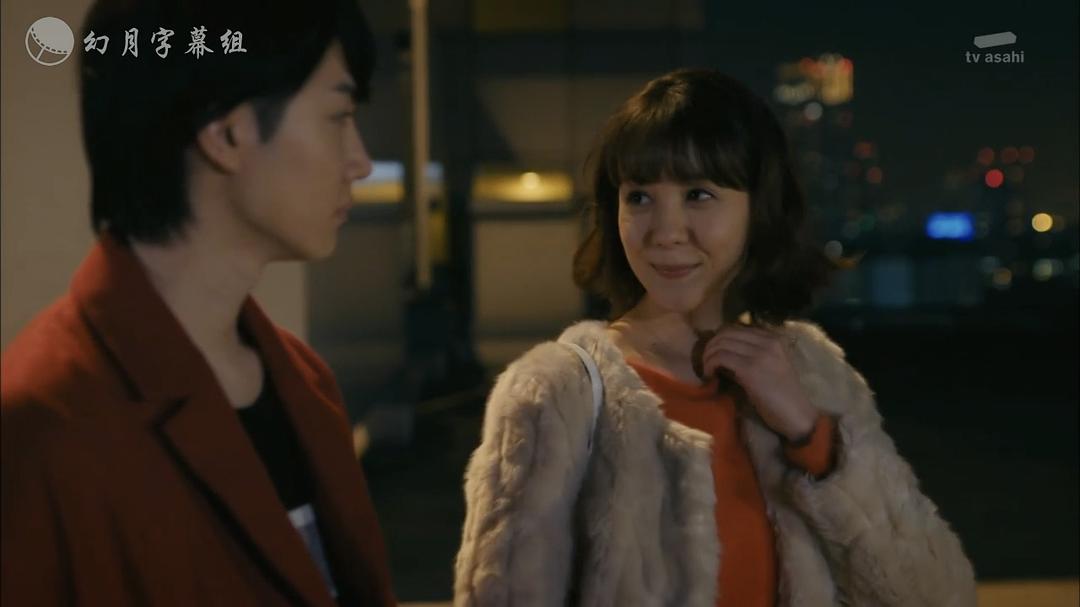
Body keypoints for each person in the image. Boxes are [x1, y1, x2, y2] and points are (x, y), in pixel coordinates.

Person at [454, 68, 977, 606]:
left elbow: (935, 597)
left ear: (759, 207)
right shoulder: (555, 394)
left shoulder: (811, 371)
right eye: (639, 197)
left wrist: (812, 436)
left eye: (698, 194)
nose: (665, 232)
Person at [1, 0, 396, 604]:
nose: (360, 163)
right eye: (338, 116)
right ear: (226, 133)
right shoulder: (44, 423)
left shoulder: (305, 381)